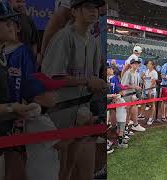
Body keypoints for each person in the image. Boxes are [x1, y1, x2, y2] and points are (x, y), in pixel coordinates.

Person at [41, 1, 106, 180]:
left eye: (96, 8)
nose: (94, 11)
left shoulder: (93, 42)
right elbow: (51, 78)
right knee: (57, 165)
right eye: (88, 7)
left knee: (69, 165)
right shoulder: (63, 37)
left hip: (81, 109)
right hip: (59, 110)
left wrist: (99, 85)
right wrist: (87, 81)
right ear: (75, 11)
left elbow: (92, 79)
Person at [0, 2, 38, 179]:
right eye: (5, 22)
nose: (11, 26)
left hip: (6, 129)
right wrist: (12, 108)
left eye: (12, 22)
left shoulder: (10, 56)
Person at [21, 73, 78, 180]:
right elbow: (60, 145)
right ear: (37, 98)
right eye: (50, 91)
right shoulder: (39, 121)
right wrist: (78, 130)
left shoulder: (36, 117)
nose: (55, 94)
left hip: (41, 170)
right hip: (43, 174)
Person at [121, 58, 146, 132]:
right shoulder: (128, 73)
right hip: (127, 95)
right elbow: (123, 85)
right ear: (131, 64)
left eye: (138, 63)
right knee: (127, 111)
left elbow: (137, 86)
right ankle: (127, 127)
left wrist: (138, 93)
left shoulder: (137, 73)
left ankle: (128, 126)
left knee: (130, 110)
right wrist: (135, 87)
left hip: (133, 95)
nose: (136, 65)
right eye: (134, 63)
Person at [141, 60, 158, 125]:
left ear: (153, 65)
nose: (148, 65)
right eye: (148, 64)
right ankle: (142, 114)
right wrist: (142, 77)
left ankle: (151, 118)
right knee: (144, 102)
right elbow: (145, 80)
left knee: (152, 104)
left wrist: (150, 91)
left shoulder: (154, 72)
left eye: (149, 64)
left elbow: (153, 82)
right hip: (145, 90)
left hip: (151, 91)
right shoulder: (147, 71)